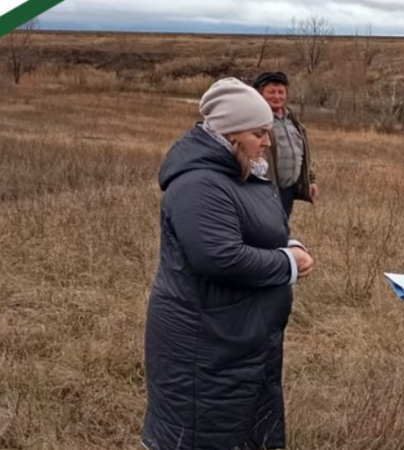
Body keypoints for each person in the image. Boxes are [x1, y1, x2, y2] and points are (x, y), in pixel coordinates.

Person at [142, 78, 314, 450]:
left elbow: (257, 226)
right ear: (232, 134)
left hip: (242, 338)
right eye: (259, 133)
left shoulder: (243, 171)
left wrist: (288, 242)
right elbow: (218, 256)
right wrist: (288, 264)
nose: (267, 142)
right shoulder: (199, 184)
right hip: (203, 343)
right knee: (204, 434)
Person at [252, 71, 318, 219]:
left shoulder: (293, 120)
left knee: (282, 230)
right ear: (260, 94)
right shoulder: (254, 120)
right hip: (262, 190)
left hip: (287, 190)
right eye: (271, 92)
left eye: (281, 92)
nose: (277, 96)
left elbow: (302, 151)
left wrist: (310, 180)